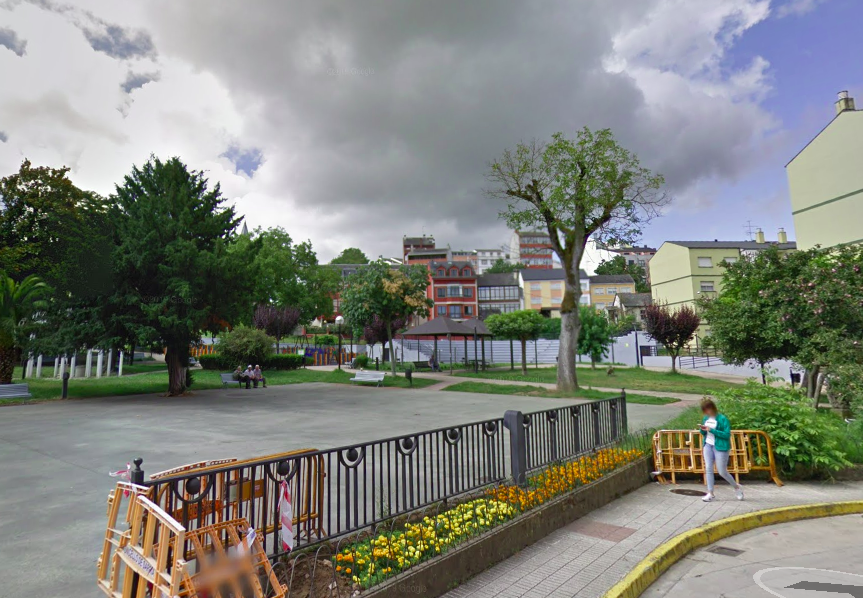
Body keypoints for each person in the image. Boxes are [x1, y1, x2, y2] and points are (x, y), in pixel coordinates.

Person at [699, 398, 744, 502]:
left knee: (722, 471)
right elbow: (704, 433)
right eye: (705, 410)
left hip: (720, 446)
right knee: (708, 469)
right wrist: (702, 429)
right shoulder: (706, 418)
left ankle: (736, 487)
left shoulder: (722, 419)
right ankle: (710, 492)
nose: (706, 412)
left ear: (712, 408)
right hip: (708, 445)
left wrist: (713, 430)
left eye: (708, 409)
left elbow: (727, 434)